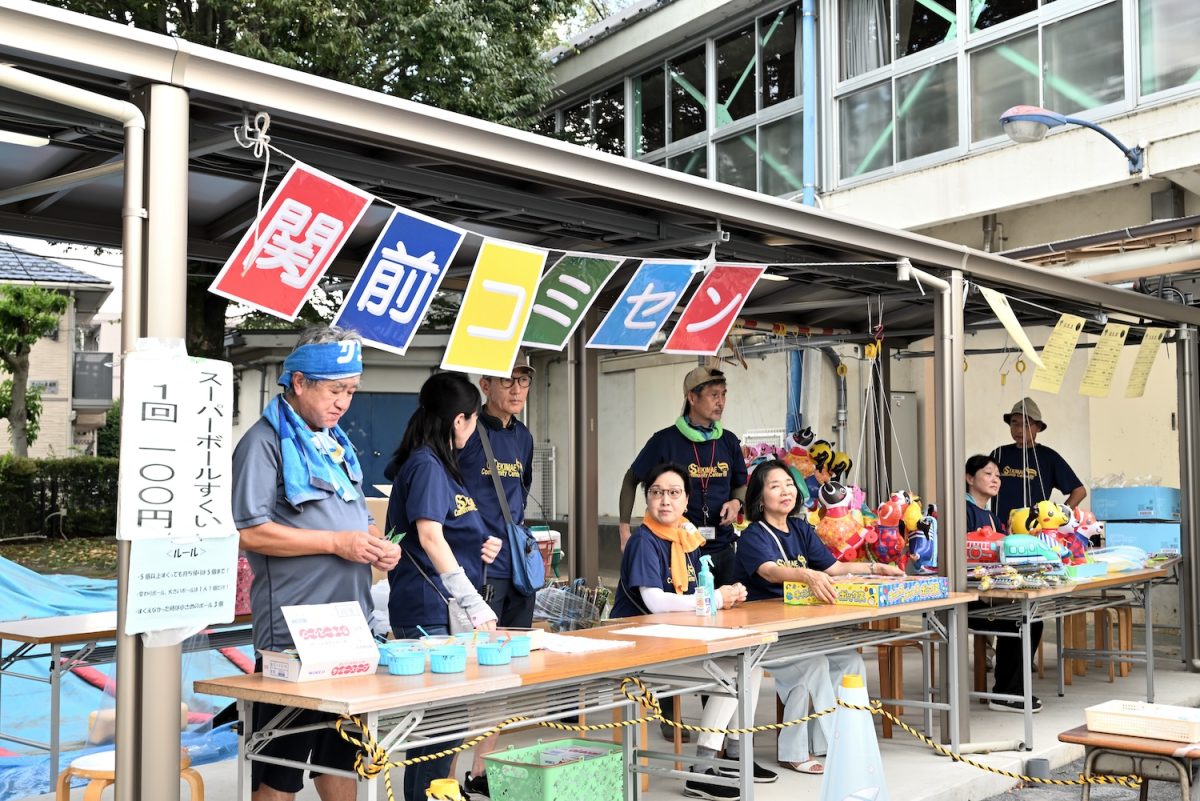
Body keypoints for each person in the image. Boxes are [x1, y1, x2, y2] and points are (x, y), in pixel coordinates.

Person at [233, 325, 402, 801]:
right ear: (300, 382)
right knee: (279, 769)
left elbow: (354, 521)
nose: (343, 402)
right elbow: (252, 531)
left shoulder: (335, 444)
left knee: (341, 760)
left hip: (350, 628)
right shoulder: (263, 443)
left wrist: (377, 544)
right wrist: (335, 543)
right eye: (335, 390)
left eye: (351, 390)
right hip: (294, 637)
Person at [611, 462, 776, 800]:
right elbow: (655, 602)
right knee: (733, 668)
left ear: (687, 501)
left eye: (674, 493)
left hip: (672, 640)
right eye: (657, 493)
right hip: (637, 649)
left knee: (752, 662)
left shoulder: (686, 537)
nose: (665, 500)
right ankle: (701, 770)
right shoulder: (645, 540)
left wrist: (725, 598)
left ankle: (733, 753)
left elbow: (690, 597)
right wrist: (714, 598)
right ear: (648, 499)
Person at [735, 459, 903, 774]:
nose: (785, 491)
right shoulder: (752, 536)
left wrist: (875, 568)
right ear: (759, 498)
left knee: (849, 660)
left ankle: (833, 742)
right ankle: (821, 749)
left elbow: (834, 568)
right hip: (767, 634)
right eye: (774, 486)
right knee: (815, 664)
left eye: (788, 484)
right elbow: (770, 573)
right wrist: (806, 575)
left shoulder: (801, 528)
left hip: (801, 627)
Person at [384, 371, 502, 801]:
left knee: (445, 731)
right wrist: (473, 601)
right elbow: (430, 536)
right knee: (437, 735)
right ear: (460, 420)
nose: (474, 430)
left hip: (441, 606)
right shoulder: (428, 465)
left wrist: (479, 543)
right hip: (430, 608)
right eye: (474, 421)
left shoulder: (439, 464)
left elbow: (447, 531)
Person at [456, 356, 537, 797]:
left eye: (523, 381)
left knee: (504, 673)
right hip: (478, 566)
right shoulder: (467, 430)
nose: (517, 389)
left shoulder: (522, 437)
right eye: (508, 381)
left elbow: (519, 497)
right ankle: (445, 780)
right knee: (471, 671)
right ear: (485, 384)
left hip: (517, 567)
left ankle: (479, 772)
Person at [619, 366, 747, 585]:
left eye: (723, 394)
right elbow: (631, 480)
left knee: (729, 611)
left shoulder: (729, 441)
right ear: (692, 398)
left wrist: (736, 502)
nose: (721, 402)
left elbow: (740, 483)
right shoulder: (664, 441)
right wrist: (624, 531)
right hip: (679, 549)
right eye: (713, 395)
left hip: (724, 548)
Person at [965, 453, 1044, 713]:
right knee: (1019, 619)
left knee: (1032, 618)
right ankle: (1005, 694)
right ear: (969, 478)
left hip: (990, 594)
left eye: (997, 475)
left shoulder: (992, 517)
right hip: (967, 600)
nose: (995, 479)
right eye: (988, 473)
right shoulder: (961, 511)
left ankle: (1015, 690)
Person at [990, 397, 1086, 526]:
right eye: (1014, 423)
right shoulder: (999, 454)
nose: (1019, 429)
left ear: (1038, 427)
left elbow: (1079, 491)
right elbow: (980, 484)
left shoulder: (1048, 457)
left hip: (1034, 530)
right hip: (999, 528)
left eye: (1026, 424)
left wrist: (1058, 516)